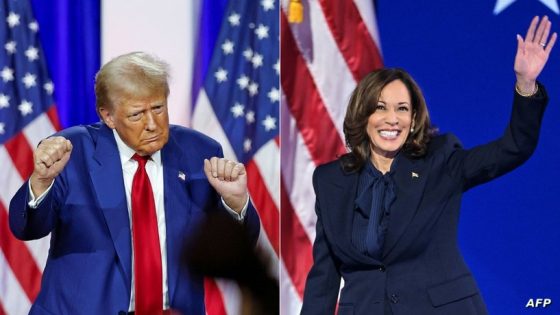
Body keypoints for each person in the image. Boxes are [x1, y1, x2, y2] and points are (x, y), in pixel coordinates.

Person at [300, 16, 556, 315]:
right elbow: (324, 276)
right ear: (363, 115)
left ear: (412, 121)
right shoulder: (332, 180)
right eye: (380, 107)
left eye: (402, 109)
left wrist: (525, 85)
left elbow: (512, 149)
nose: (392, 119)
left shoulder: (440, 160)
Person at [9, 52, 260, 315]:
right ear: (108, 116)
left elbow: (235, 251)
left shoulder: (199, 152)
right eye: (137, 114)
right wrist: (41, 181)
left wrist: (235, 203)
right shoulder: (72, 152)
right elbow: (26, 228)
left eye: (158, 108)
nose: (152, 124)